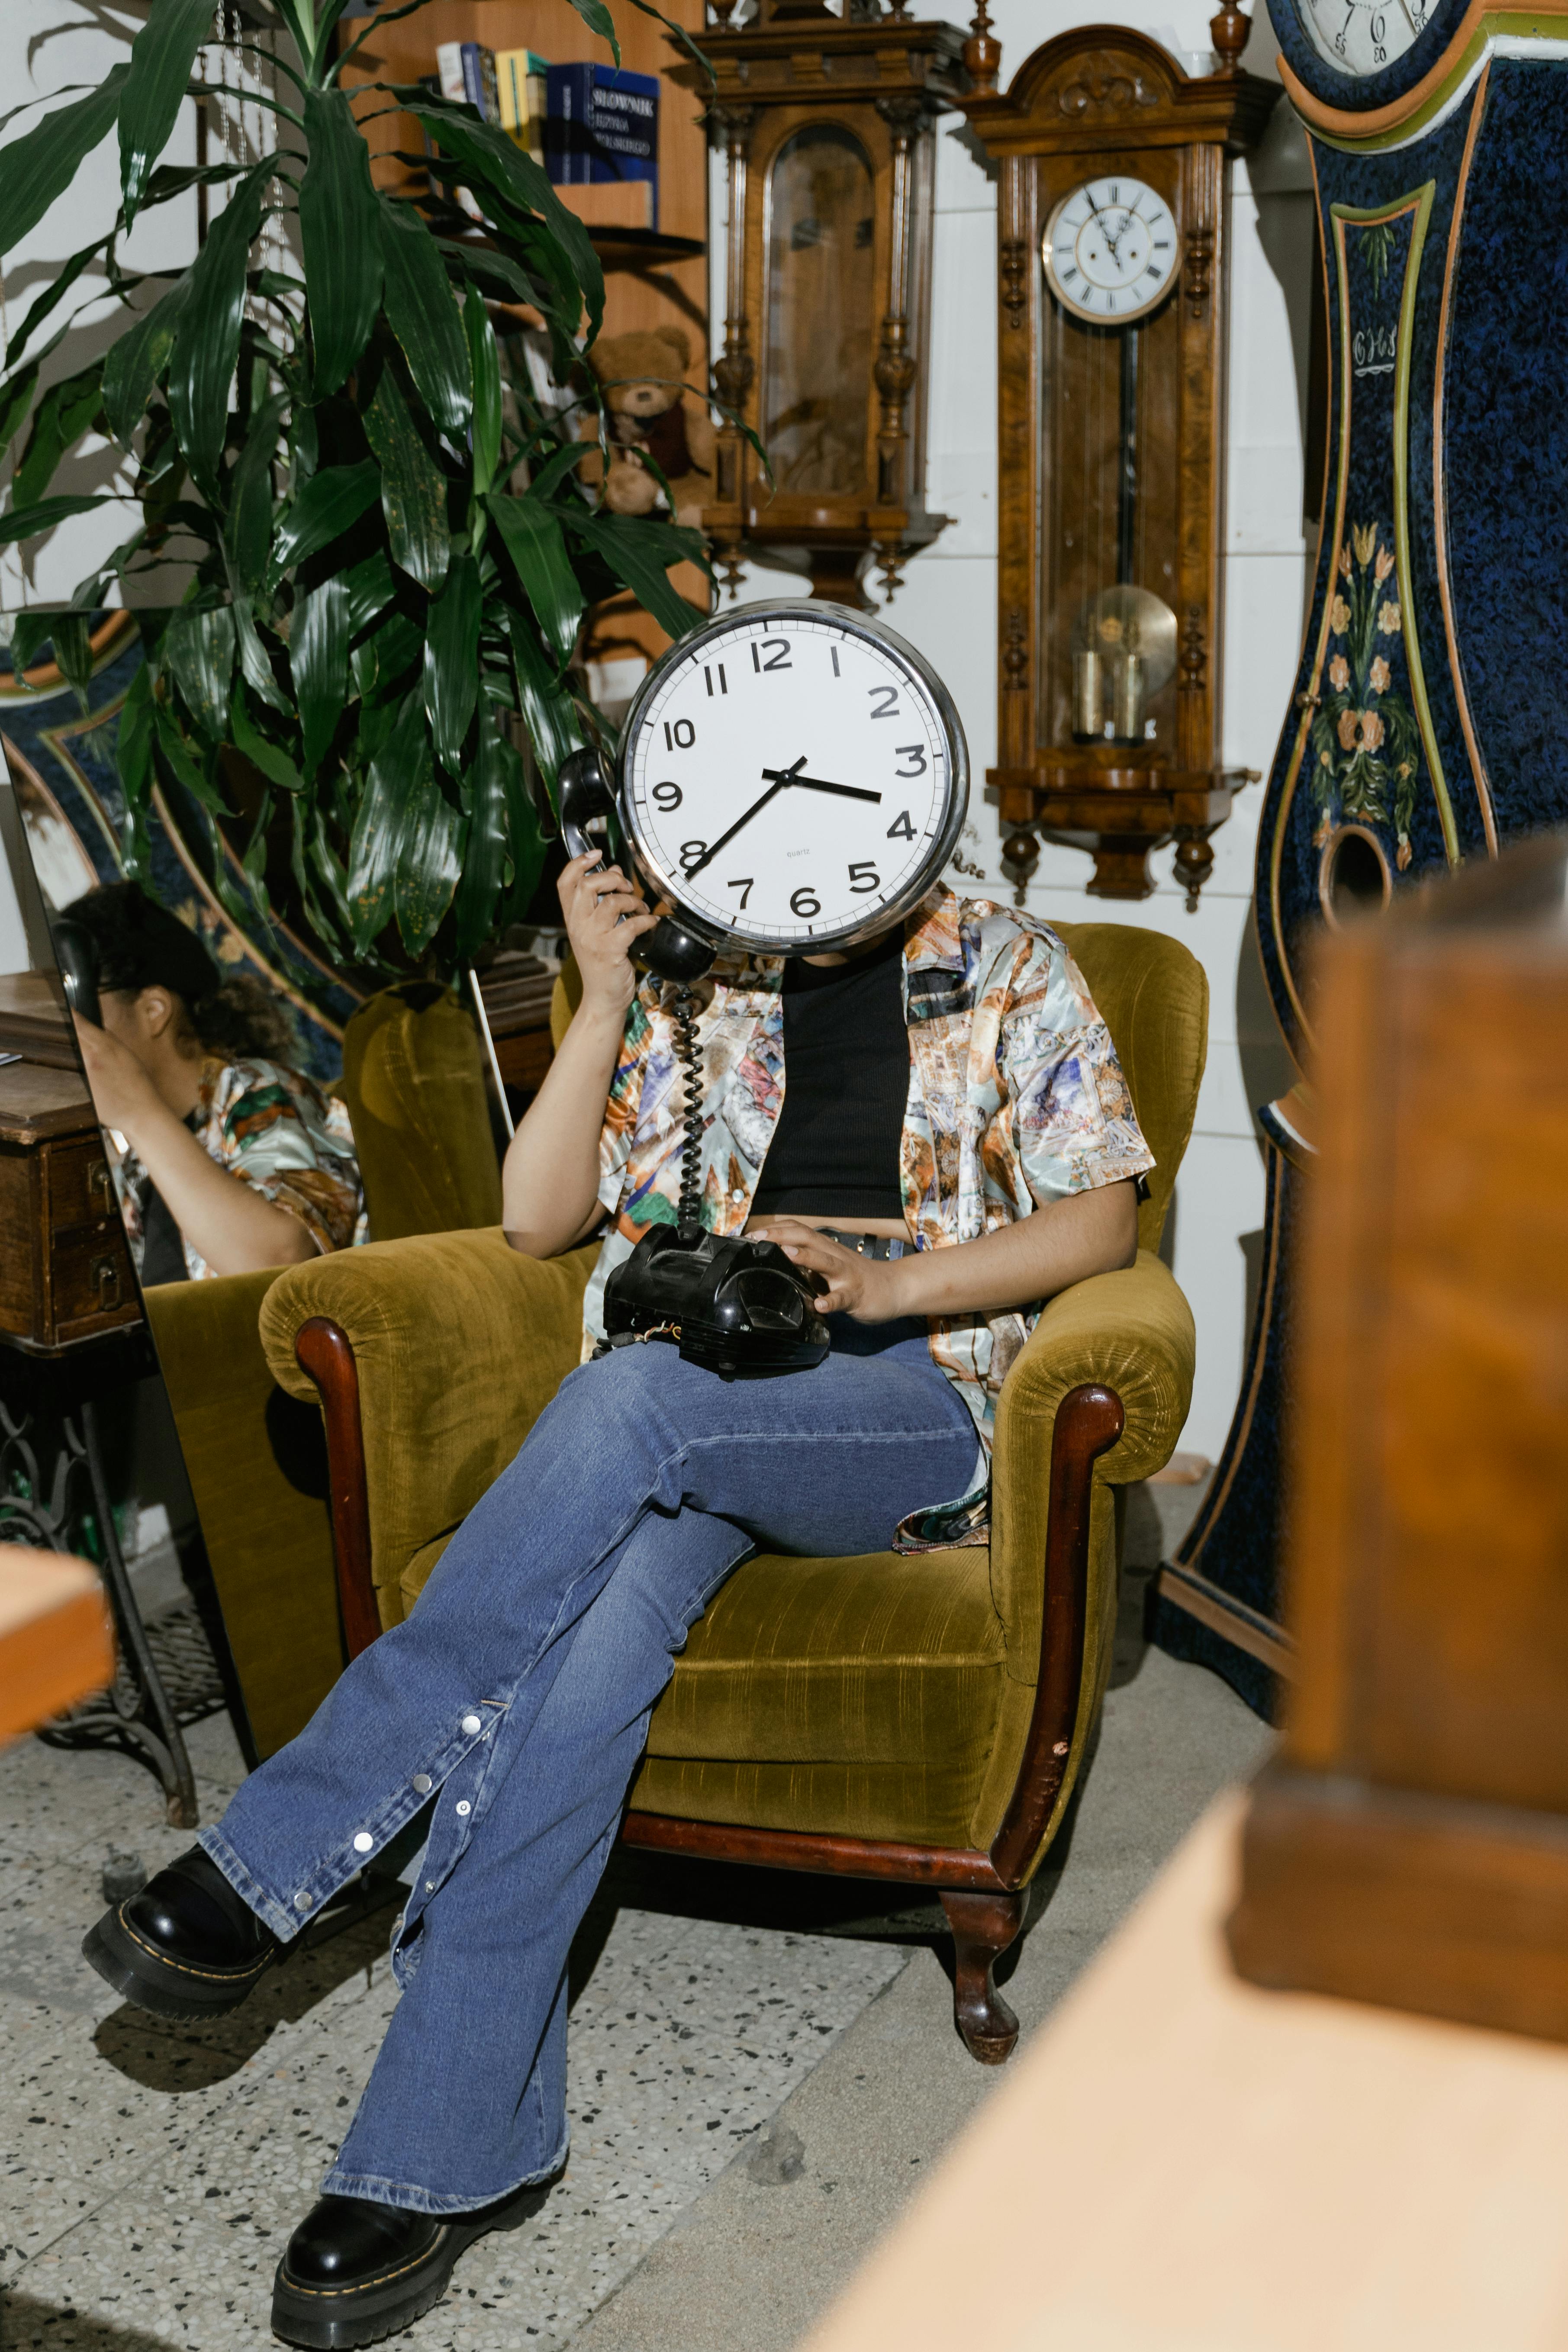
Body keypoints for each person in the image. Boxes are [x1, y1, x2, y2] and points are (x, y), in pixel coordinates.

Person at [82, 852, 1155, 2349]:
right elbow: (536, 1225)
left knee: (632, 1403)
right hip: (709, 1383)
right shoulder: (698, 977)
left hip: (913, 1382)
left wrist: (890, 1284)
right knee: (585, 1645)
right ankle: (445, 2146)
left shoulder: (1004, 953)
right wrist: (598, 1002)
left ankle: (285, 1844)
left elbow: (1100, 1220)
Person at [61, 883, 361, 1282]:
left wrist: (140, 1116)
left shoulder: (257, 1092)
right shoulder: (136, 1170)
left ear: (154, 1011)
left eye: (79, 1009)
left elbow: (280, 1266)